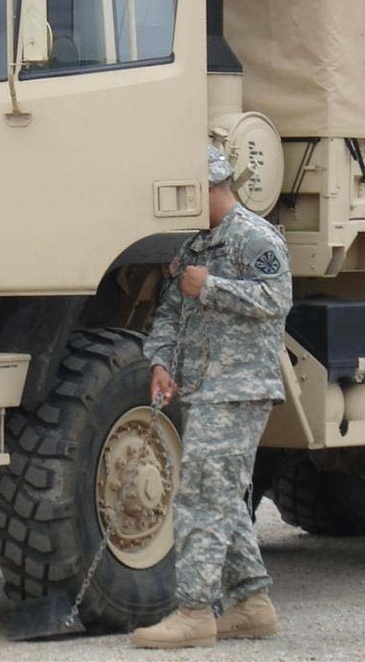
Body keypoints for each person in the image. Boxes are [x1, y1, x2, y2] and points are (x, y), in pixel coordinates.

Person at [130, 145, 292, 649]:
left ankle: (195, 613)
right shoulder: (194, 248)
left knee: (200, 495)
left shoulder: (254, 236)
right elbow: (171, 313)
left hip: (240, 390)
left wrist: (213, 287)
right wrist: (160, 362)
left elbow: (276, 299)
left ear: (213, 188)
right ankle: (251, 604)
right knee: (220, 495)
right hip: (203, 388)